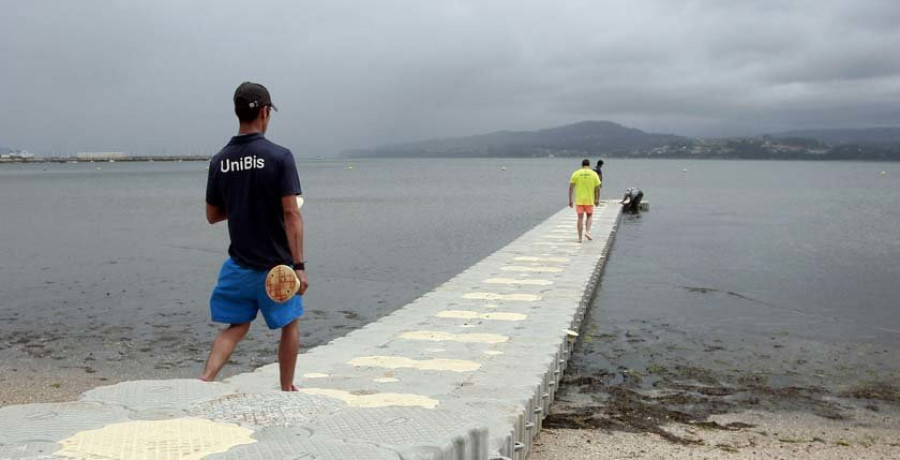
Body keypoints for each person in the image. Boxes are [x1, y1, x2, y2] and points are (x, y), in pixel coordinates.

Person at [201, 82, 309, 391]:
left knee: (236, 325)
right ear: (264, 112)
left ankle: (205, 379)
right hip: (276, 269)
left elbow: (212, 215)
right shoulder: (279, 157)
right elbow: (291, 213)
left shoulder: (220, 160)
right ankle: (286, 387)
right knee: (289, 324)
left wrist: (242, 204)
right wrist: (299, 266)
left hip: (239, 264)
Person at [568, 159, 602, 242]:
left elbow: (571, 188)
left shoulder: (576, 173)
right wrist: (597, 199)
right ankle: (587, 231)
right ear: (589, 165)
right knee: (589, 216)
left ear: (582, 165)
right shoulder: (593, 174)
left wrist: (570, 200)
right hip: (589, 200)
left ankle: (579, 238)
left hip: (579, 200)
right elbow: (598, 188)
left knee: (580, 218)